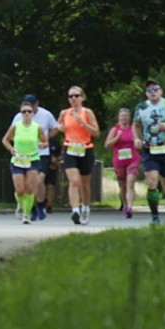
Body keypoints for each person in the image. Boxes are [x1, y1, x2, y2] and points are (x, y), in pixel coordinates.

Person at [132, 80, 165, 224]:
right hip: (150, 149)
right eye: (149, 90)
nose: (153, 92)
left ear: (161, 91)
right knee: (152, 181)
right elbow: (135, 125)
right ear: (146, 93)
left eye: (155, 89)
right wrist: (137, 138)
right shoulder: (142, 107)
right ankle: (155, 216)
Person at [10, 95, 59, 220]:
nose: (28, 110)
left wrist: (46, 139)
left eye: (32, 106)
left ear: (37, 104)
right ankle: (29, 208)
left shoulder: (46, 114)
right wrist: (13, 148)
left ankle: (41, 205)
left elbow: (55, 128)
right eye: (26, 108)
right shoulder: (18, 117)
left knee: (39, 179)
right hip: (23, 155)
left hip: (41, 154)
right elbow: (12, 134)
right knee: (26, 185)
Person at [57, 86, 100, 225]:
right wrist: (60, 128)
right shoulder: (64, 113)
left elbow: (96, 133)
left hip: (85, 149)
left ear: (82, 97)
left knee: (84, 184)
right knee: (74, 181)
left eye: (76, 95)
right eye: (71, 96)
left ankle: (86, 207)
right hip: (70, 149)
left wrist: (82, 122)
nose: (74, 99)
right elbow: (59, 126)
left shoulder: (88, 113)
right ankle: (75, 210)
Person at [2, 101, 48, 224]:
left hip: (32, 159)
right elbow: (5, 140)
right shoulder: (16, 126)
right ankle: (21, 204)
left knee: (30, 189)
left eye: (29, 111)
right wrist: (11, 149)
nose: (27, 113)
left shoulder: (37, 127)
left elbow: (45, 141)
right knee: (20, 189)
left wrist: (42, 144)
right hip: (18, 160)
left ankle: (26, 215)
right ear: (21, 113)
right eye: (24, 111)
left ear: (33, 113)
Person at [104, 107, 140, 218]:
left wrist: (139, 142)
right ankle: (125, 204)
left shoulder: (134, 128)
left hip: (133, 159)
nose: (124, 118)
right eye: (122, 116)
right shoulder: (115, 130)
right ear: (119, 118)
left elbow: (140, 141)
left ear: (130, 118)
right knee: (123, 186)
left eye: (126, 116)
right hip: (119, 160)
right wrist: (117, 137)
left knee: (130, 183)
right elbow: (107, 145)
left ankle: (130, 207)